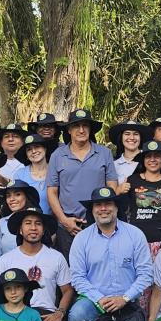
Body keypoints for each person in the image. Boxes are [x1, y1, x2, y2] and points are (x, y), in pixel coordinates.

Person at [66, 187, 154, 321]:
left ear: (116, 207)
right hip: (94, 300)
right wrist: (99, 299)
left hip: (128, 299)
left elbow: (146, 274)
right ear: (92, 210)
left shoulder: (135, 235)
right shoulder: (81, 239)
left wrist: (125, 298)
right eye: (98, 205)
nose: (103, 208)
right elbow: (77, 277)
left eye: (108, 204)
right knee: (77, 317)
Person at [0, 206, 74, 321]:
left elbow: (67, 290)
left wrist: (60, 313)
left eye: (38, 223)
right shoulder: (7, 258)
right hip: (13, 310)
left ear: (43, 230)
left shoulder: (56, 257)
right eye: (28, 223)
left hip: (43, 313)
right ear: (20, 230)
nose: (33, 228)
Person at [47, 109, 119, 256]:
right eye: (76, 126)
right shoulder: (57, 155)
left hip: (99, 222)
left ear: (90, 128)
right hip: (68, 224)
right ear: (69, 129)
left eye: (85, 125)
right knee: (70, 271)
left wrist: (106, 217)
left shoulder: (104, 153)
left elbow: (112, 187)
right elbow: (52, 192)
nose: (81, 130)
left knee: (100, 268)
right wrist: (63, 220)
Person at [120, 140, 161, 255]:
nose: (152, 160)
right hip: (136, 240)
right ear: (143, 160)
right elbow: (120, 209)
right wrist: (119, 191)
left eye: (157, 156)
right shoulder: (132, 180)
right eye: (148, 156)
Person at [0, 180, 41, 270]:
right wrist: (6, 275)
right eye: (8, 195)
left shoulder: (39, 221)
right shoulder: (3, 222)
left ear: (27, 197)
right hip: (4, 277)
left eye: (17, 194)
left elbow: (44, 256)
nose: (12, 199)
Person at [12, 134, 55, 202]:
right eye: (29, 149)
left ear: (45, 149)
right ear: (26, 155)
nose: (34, 151)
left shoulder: (56, 169)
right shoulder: (20, 174)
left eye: (37, 147)